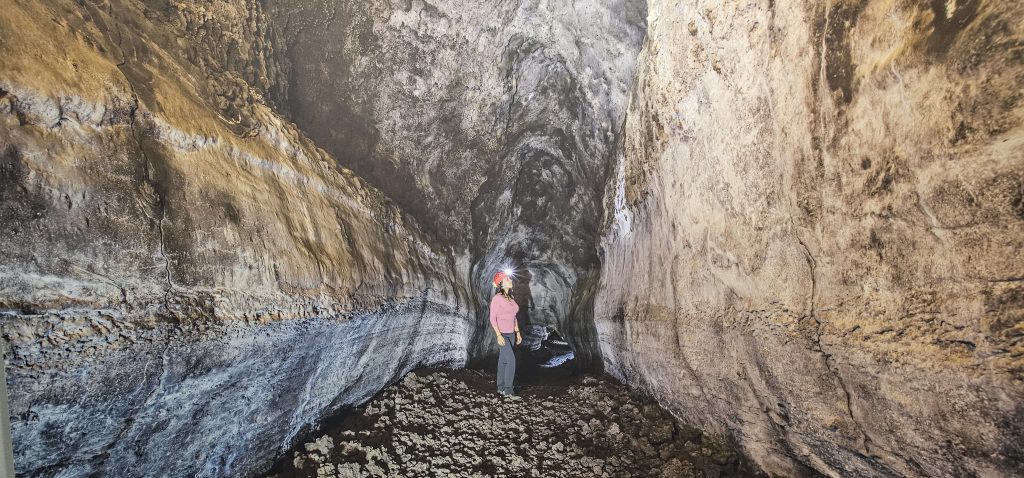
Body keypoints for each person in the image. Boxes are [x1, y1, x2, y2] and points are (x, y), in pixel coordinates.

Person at [489, 270, 522, 396]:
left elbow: (514, 317)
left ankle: (500, 387)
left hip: (511, 334)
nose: (511, 280)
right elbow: (492, 318)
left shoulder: (511, 299)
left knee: (503, 360)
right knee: (511, 360)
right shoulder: (497, 298)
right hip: (501, 333)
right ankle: (508, 391)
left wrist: (517, 332)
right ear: (501, 283)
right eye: (508, 279)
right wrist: (498, 335)